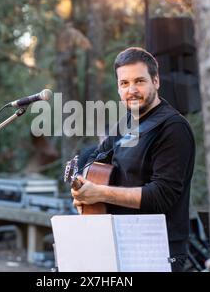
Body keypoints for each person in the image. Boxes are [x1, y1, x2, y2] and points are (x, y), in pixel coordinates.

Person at [71, 47, 196, 272]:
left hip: (157, 249)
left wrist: (99, 193)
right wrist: (82, 191)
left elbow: (161, 195)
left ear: (156, 81)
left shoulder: (173, 128)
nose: (132, 90)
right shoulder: (125, 123)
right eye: (124, 83)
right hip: (119, 240)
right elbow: (97, 160)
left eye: (139, 81)